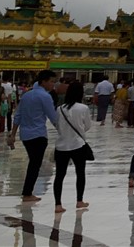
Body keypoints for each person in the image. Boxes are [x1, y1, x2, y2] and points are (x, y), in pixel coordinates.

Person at [8, 69, 59, 202]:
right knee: (35, 164)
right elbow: (53, 117)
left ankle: (27, 191)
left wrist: (12, 135)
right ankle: (27, 193)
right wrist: (63, 131)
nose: (53, 85)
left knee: (33, 163)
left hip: (25, 135)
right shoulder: (45, 96)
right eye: (52, 82)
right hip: (38, 135)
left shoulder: (26, 95)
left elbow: (17, 116)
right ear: (43, 81)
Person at [52, 81, 93, 213]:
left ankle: (58, 204)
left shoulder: (59, 109)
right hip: (78, 145)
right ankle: (79, 200)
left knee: (59, 175)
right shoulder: (83, 108)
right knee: (80, 173)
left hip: (61, 145)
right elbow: (87, 126)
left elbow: (57, 125)